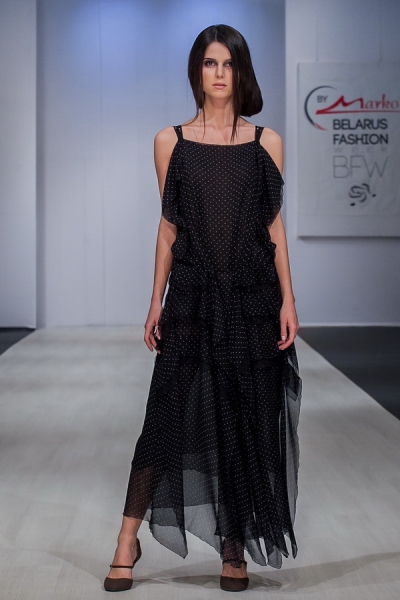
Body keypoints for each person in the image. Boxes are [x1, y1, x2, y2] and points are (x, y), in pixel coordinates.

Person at [104, 24, 302, 593]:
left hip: (251, 299)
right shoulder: (170, 141)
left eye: (228, 63)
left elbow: (273, 228)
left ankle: (233, 547)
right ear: (196, 71)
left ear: (241, 72)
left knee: (241, 419)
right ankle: (126, 539)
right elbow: (169, 227)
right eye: (210, 63)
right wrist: (155, 299)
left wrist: (289, 299)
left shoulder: (266, 142)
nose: (219, 73)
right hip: (191, 295)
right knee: (164, 415)